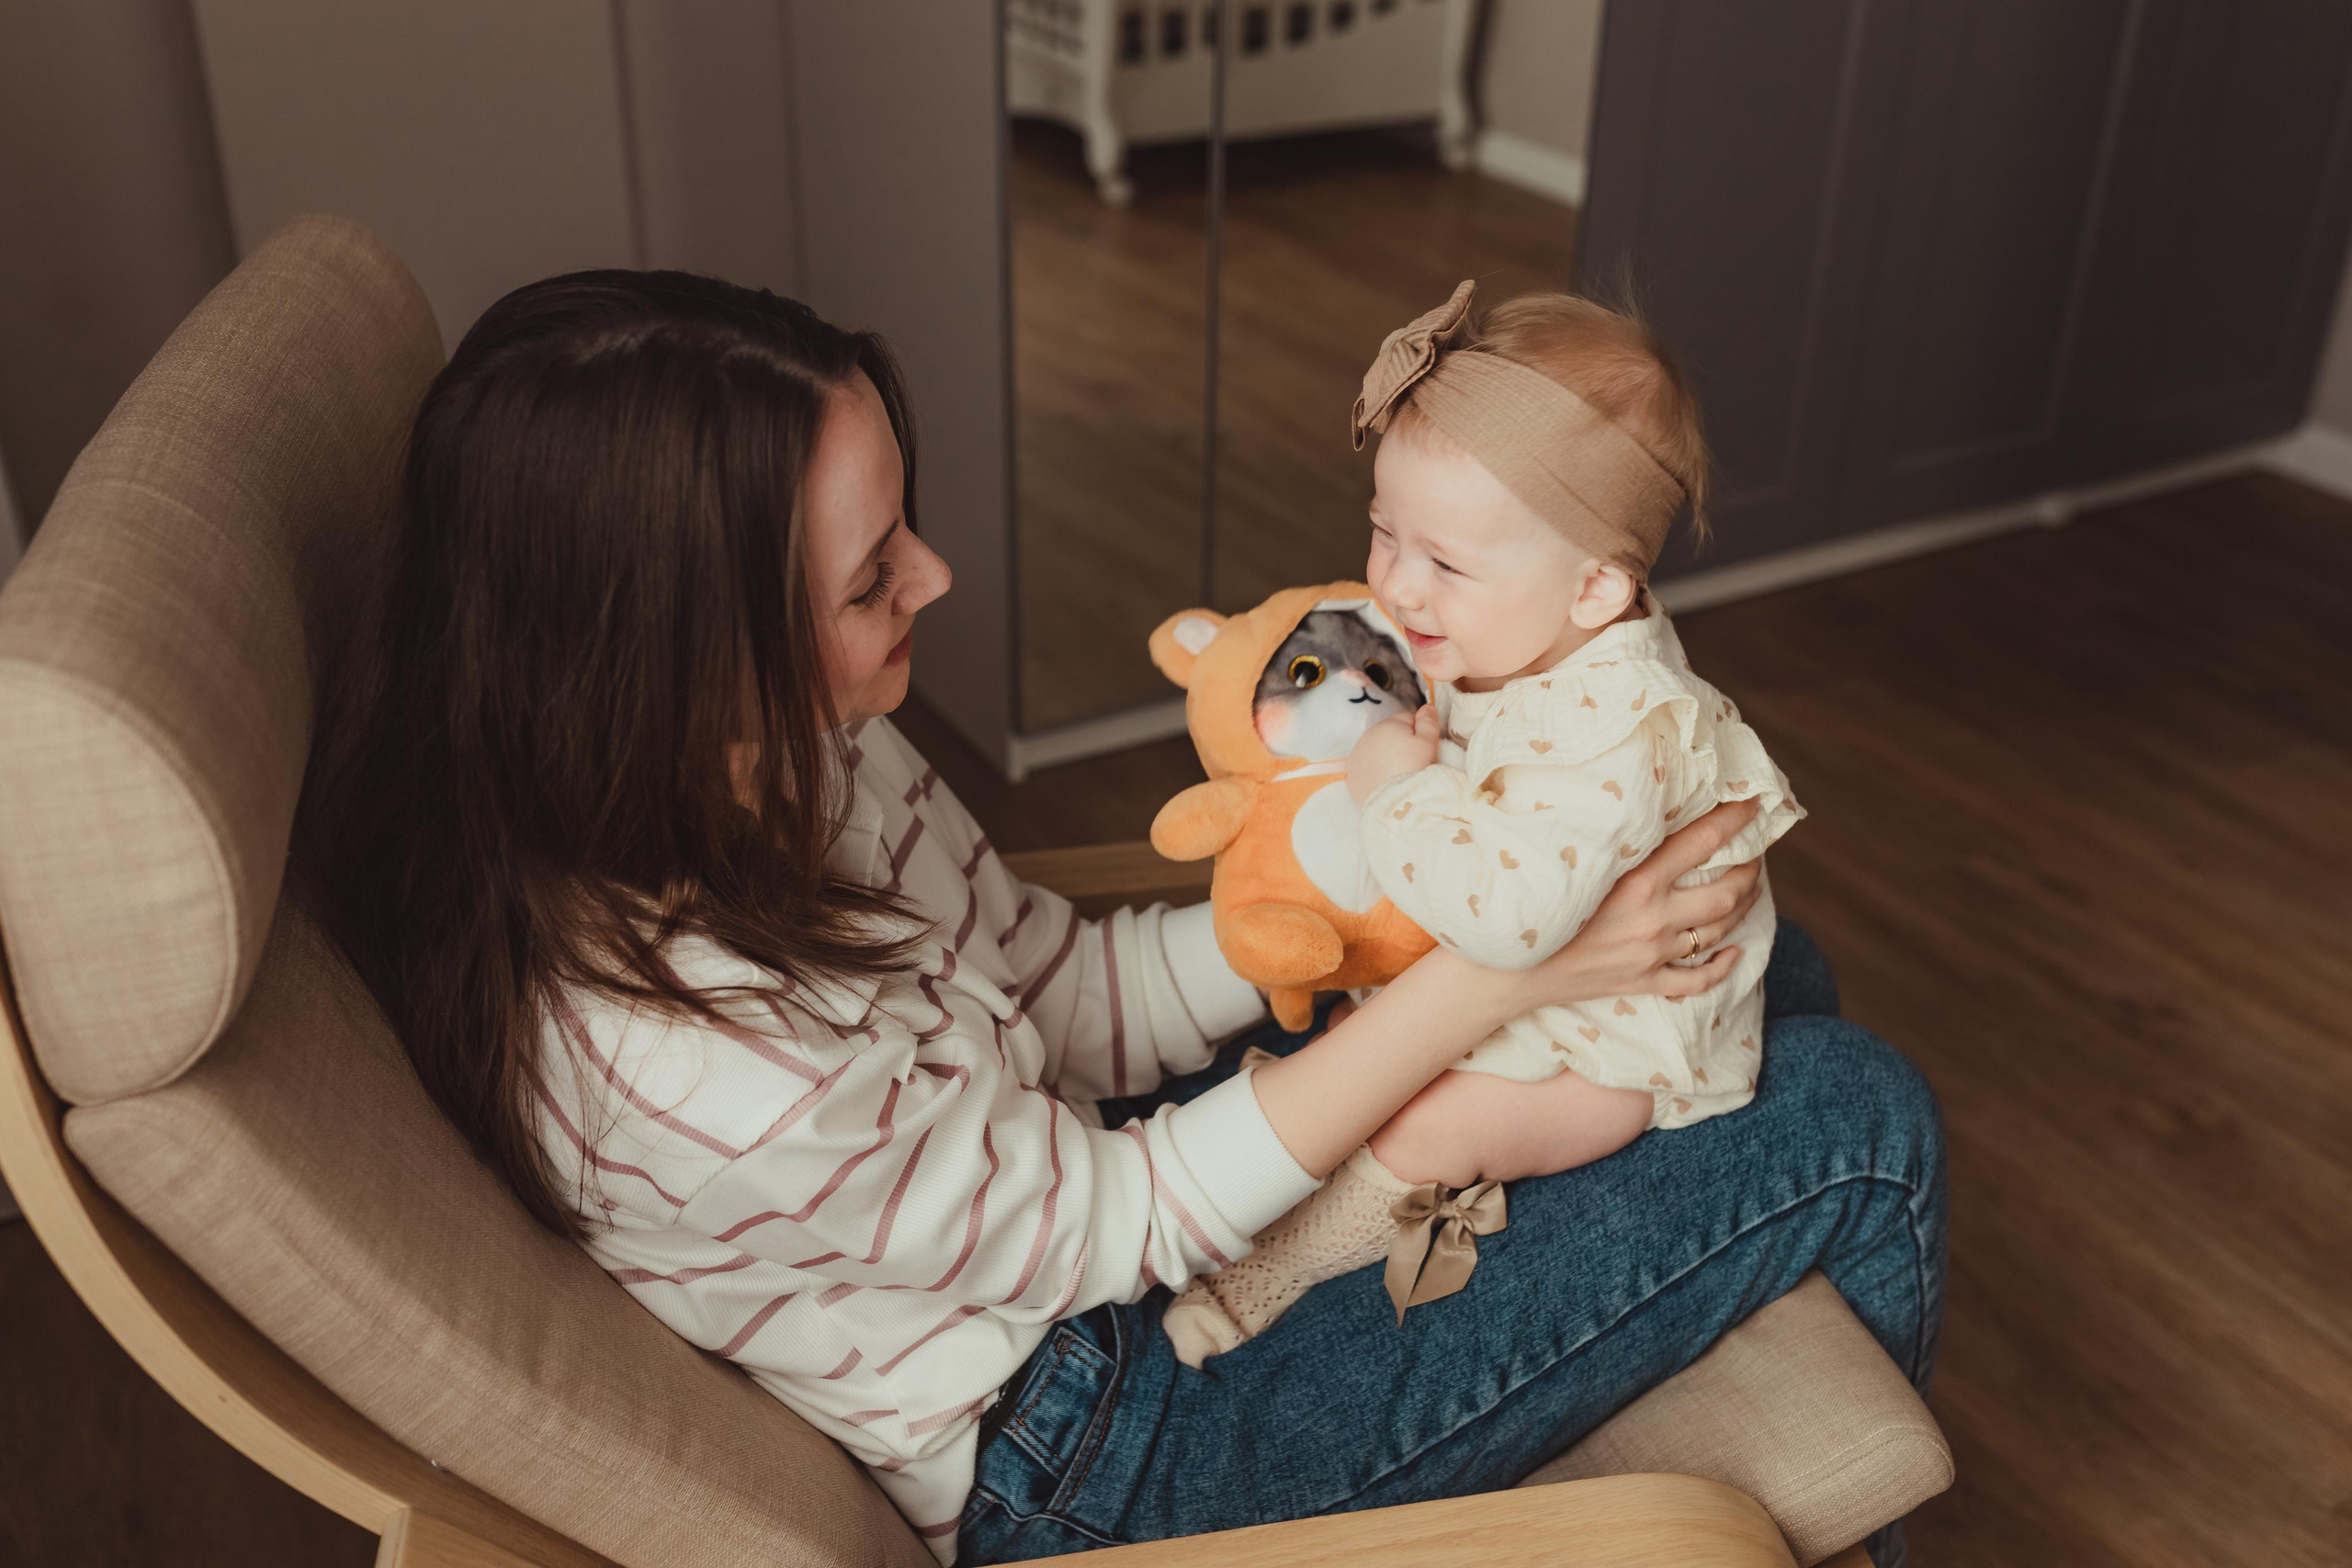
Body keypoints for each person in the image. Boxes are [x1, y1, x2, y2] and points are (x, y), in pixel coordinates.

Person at [311, 270, 1947, 1567]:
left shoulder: (786, 752)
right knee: (1857, 1115)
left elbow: (1059, 982)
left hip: (1076, 1199)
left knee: (1759, 966)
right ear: (685, 649)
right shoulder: (689, 1054)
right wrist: (1495, 970)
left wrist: (1313, 901)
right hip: (1098, 1437)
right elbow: (1112, 1226)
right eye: (875, 574)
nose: (937, 579)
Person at [1161, 279, 1804, 1362]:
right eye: (1381, 531)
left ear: (1598, 593)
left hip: (1615, 1050)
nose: (1399, 590)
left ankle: (1270, 1276)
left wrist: (1391, 791)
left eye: (1445, 564)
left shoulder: (1612, 725)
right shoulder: (1521, 619)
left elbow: (1510, 923)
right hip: (1545, 969)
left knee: (1422, 1120)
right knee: (1363, 1043)